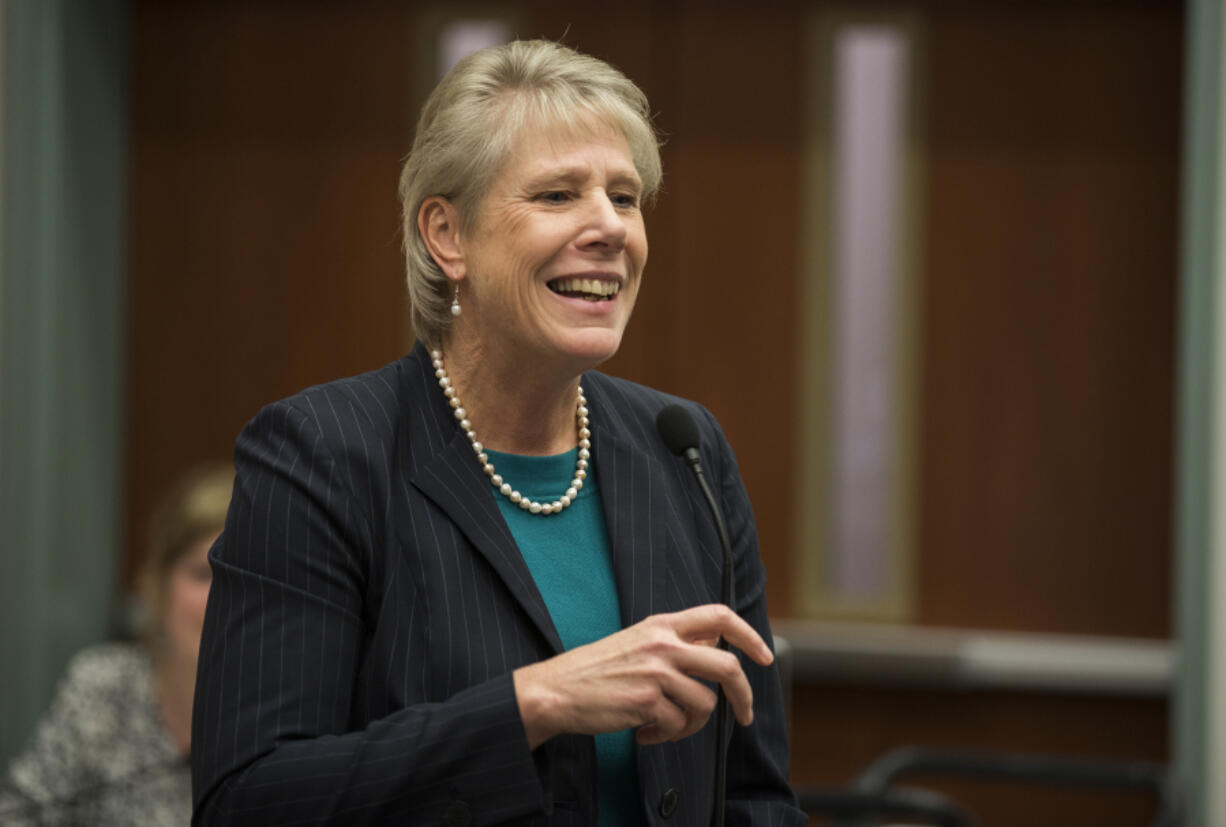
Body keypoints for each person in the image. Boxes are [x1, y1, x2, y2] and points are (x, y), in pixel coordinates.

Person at [191, 39, 804, 826]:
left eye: (625, 197)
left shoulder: (682, 449)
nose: (610, 227)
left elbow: (755, 794)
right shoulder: (323, 452)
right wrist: (536, 700)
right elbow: (249, 800)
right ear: (448, 236)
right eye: (557, 195)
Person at [1, 464, 231, 826]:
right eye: (202, 575)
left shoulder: (303, 713)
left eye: (239, 580)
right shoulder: (105, 685)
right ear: (157, 589)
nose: (220, 601)